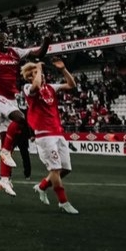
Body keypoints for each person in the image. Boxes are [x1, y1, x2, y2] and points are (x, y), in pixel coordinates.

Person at [0, 31, 51, 197]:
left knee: (7, 140)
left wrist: (46, 42)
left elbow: (39, 53)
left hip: (10, 99)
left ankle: (5, 179)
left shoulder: (15, 52)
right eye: (2, 38)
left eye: (6, 38)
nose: (6, 40)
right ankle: (4, 151)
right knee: (19, 118)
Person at [23, 58, 79, 214]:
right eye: (34, 73)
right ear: (29, 77)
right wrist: (38, 70)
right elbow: (35, 86)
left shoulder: (50, 88)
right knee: (55, 169)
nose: (40, 74)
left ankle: (41, 187)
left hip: (57, 132)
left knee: (66, 168)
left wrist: (63, 69)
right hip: (44, 135)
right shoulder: (27, 87)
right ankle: (63, 202)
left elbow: (71, 85)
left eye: (39, 72)